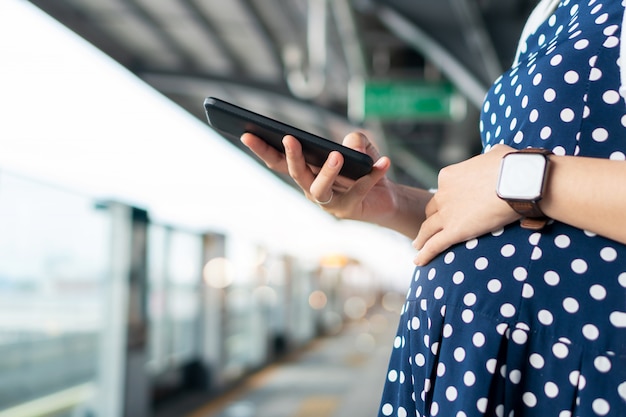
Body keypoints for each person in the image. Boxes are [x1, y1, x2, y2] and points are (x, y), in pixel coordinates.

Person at [241, 0, 626, 415]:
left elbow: (514, 186)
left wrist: (524, 178)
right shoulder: (546, 14)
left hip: (578, 364)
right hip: (471, 366)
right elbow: (512, 211)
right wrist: (392, 205)